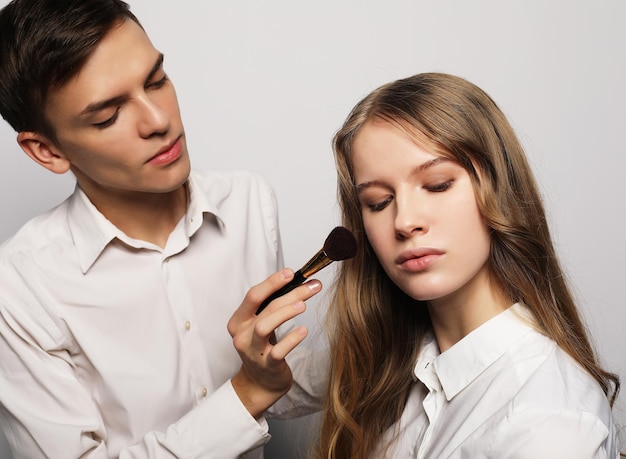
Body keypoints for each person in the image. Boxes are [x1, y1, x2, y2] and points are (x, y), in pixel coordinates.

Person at [0, 0, 323, 457]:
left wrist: (391, 339)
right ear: (47, 151)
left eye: (157, 81)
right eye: (108, 116)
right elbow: (252, 395)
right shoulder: (18, 287)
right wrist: (246, 392)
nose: (159, 121)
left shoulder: (249, 202)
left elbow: (277, 385)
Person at [315, 72, 622, 458]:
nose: (405, 221)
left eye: (438, 184)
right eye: (378, 202)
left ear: (497, 188)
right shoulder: (400, 382)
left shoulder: (546, 422)